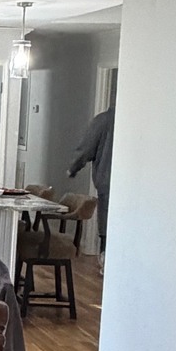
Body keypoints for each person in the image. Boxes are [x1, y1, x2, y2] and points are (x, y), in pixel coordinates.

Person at [68, 100, 115, 253]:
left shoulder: (103, 121)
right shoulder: (139, 121)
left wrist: (73, 168)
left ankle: (106, 264)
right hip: (133, 188)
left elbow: (86, 149)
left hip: (107, 184)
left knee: (107, 231)